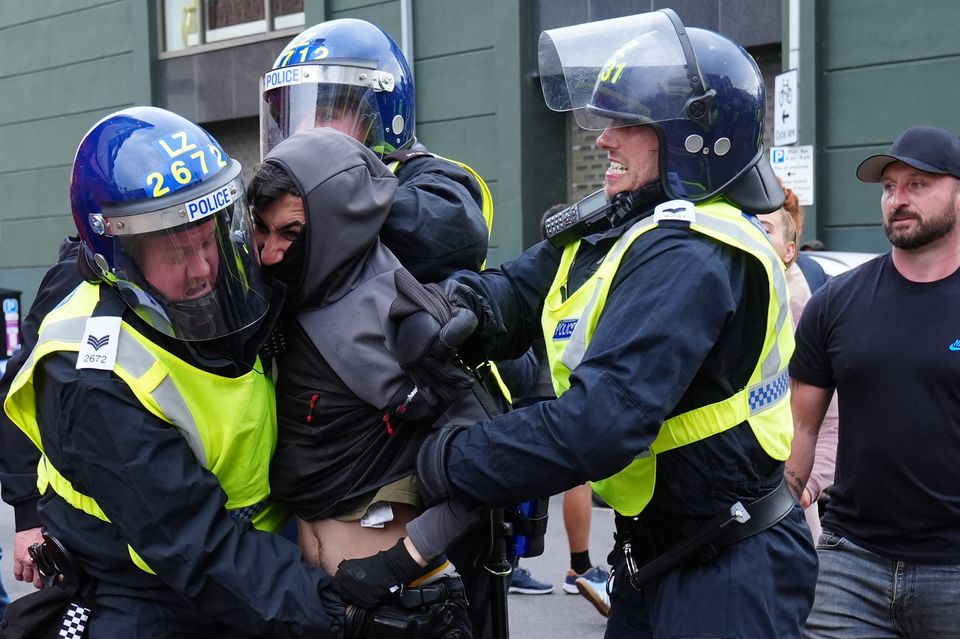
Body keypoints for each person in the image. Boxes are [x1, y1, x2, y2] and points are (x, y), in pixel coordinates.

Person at [336, 10, 817, 638]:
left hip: (726, 568)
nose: (602, 139)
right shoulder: (623, 222)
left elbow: (597, 427)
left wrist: (448, 458)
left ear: (689, 136)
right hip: (661, 554)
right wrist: (460, 307)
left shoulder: (695, 251)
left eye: (626, 122)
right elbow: (518, 290)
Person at [1, 106, 354, 637]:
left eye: (207, 238)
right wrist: (346, 616)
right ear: (118, 252)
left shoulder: (224, 300)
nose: (202, 268)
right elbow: (195, 544)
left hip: (253, 557)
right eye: (172, 250)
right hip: (147, 590)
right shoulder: (92, 375)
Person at [247, 127, 472, 638]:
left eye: (291, 233)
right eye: (262, 230)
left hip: (405, 605)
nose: (270, 253)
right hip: (325, 604)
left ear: (336, 223)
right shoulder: (282, 303)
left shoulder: (399, 310)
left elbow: (490, 452)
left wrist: (404, 559)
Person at [787, 124, 960, 638]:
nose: (897, 199)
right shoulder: (836, 303)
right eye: (889, 187)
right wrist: (778, 522)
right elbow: (803, 432)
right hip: (850, 564)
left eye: (917, 184)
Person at [260, 17, 490, 284]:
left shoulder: (429, 176)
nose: (300, 131)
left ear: (377, 118)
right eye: (289, 117)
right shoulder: (284, 192)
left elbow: (449, 227)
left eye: (322, 113)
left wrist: (318, 211)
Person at [756, 187, 838, 542]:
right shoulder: (711, 318)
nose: (755, 234)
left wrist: (806, 488)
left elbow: (827, 422)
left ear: (790, 252)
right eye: (750, 224)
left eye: (767, 228)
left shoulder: (806, 320)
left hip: (788, 511)